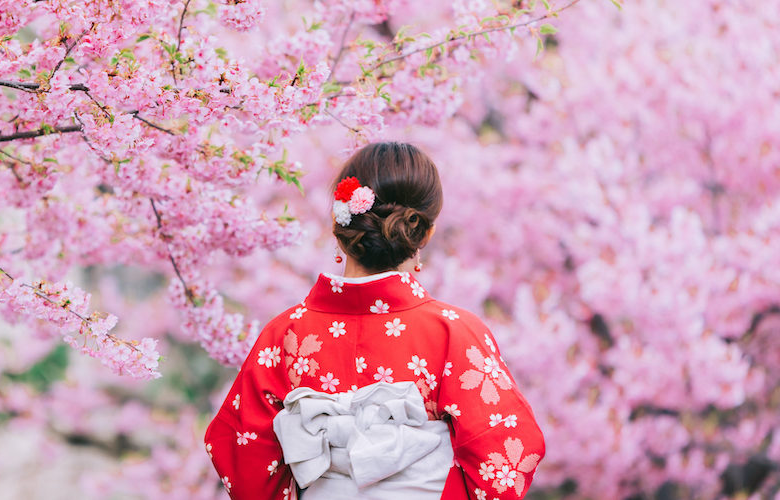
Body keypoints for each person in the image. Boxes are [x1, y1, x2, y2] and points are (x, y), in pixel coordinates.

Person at [204, 143, 546, 500]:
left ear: (339, 225)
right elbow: (509, 447)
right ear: (424, 234)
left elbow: (238, 447)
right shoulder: (453, 332)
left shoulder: (285, 335)